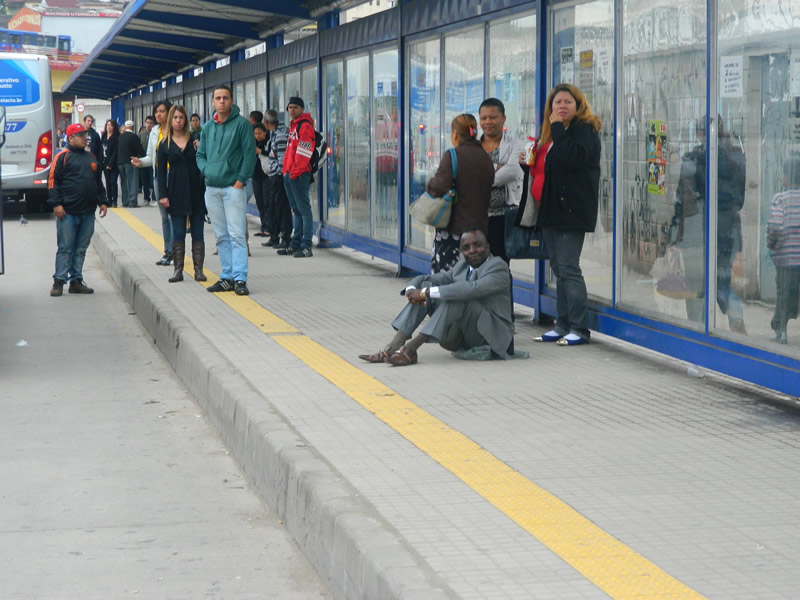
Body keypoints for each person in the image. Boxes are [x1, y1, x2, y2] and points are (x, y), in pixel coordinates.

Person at [358, 228, 513, 366]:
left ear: (488, 247)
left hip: (491, 336)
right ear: (461, 251)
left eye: (477, 245)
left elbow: (470, 289)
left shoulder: (498, 267)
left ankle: (411, 348)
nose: (472, 250)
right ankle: (393, 346)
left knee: (454, 296)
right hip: (462, 335)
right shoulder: (463, 266)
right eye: (466, 248)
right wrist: (413, 289)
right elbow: (434, 279)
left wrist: (425, 292)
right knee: (429, 287)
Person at [533, 83, 602, 346]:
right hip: (552, 211)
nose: (562, 106)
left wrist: (559, 130)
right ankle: (561, 324)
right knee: (559, 268)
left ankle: (579, 328)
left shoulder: (584, 130)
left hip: (572, 211)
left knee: (569, 268)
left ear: (578, 105)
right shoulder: (557, 134)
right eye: (557, 102)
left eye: (567, 102)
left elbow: (572, 159)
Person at [674, 117, 747, 334]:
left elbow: (683, 200)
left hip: (697, 231)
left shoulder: (692, 159)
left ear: (699, 134)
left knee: (697, 284)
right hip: (728, 227)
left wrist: (675, 235)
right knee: (722, 281)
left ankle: (696, 329)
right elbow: (740, 200)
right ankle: (737, 324)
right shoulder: (737, 157)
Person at [196, 84, 256, 295]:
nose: (222, 101)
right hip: (212, 188)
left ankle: (240, 279)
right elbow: (200, 155)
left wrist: (240, 180)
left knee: (237, 234)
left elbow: (250, 155)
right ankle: (227, 277)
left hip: (233, 188)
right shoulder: (207, 128)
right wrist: (206, 171)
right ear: (213, 102)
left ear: (232, 101)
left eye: (225, 98)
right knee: (221, 235)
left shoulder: (241, 125)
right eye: (218, 98)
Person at [426, 113, 495, 273]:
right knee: (472, 279)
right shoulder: (485, 158)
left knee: (447, 281)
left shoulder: (452, 155)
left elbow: (439, 187)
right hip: (479, 231)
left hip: (454, 233)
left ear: (455, 134)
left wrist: (430, 184)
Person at [47, 123, 107, 297]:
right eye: (80, 135)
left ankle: (76, 281)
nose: (84, 138)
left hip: (88, 212)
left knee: (81, 248)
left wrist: (102, 201)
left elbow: (97, 182)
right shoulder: (62, 157)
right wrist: (56, 204)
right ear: (70, 138)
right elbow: (52, 182)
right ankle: (59, 281)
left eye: (85, 135)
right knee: (65, 247)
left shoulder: (91, 157)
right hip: (68, 212)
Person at [157, 105, 207, 284]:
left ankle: (198, 270)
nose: (178, 121)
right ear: (170, 120)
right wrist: (162, 195)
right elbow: (160, 172)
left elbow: (205, 160)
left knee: (197, 231)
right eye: (175, 117)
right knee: (177, 232)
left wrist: (201, 148)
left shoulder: (195, 140)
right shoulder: (164, 145)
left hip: (196, 190)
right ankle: (178, 269)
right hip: (176, 191)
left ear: (186, 120)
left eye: (181, 118)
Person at [479, 98, 526, 263]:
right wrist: (496, 166)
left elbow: (513, 171)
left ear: (503, 118)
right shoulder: (473, 146)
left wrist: (481, 178)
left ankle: (503, 290)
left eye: (493, 117)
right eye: (483, 118)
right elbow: (467, 172)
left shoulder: (515, 144)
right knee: (475, 264)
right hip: (476, 216)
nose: (488, 122)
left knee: (501, 265)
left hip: (503, 217)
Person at [132, 101, 174, 265]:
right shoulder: (155, 131)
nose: (158, 114)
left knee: (173, 216)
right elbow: (151, 156)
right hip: (159, 175)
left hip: (175, 176)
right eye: (156, 111)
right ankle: (167, 252)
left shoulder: (176, 128)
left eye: (162, 111)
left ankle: (176, 251)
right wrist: (140, 162)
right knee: (164, 217)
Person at [767, 156, 800, 344]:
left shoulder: (780, 199)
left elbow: (775, 227)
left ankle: (781, 331)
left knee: (784, 293)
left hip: (785, 259)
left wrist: (772, 246)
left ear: (788, 176)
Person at [280, 96, 316, 258]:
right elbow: (290, 151)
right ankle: (296, 243)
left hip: (299, 175)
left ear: (302, 109)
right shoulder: (293, 126)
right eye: (290, 107)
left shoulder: (305, 126)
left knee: (304, 210)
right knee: (296, 210)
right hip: (290, 173)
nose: (292, 110)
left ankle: (306, 245)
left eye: (295, 107)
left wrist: (295, 172)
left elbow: (304, 152)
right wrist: (286, 171)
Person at [263, 109, 292, 249]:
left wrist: (280, 175)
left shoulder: (280, 135)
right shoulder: (275, 134)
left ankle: (285, 237)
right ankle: (274, 236)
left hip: (279, 176)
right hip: (274, 175)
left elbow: (282, 157)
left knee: (282, 208)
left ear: (266, 122)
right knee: (273, 207)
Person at [117, 119, 144, 209]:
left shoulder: (120, 137)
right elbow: (139, 149)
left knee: (124, 182)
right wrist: (143, 157)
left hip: (120, 163)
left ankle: (125, 201)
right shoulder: (134, 137)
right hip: (130, 162)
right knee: (132, 182)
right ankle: (132, 202)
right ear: (133, 127)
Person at [252, 122, 271, 237]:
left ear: (265, 132)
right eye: (255, 133)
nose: (257, 136)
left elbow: (273, 154)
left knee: (267, 202)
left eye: (260, 133)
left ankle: (269, 227)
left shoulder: (268, 143)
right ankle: (263, 226)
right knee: (259, 202)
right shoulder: (252, 144)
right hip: (255, 176)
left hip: (267, 176)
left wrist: (261, 152)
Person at [100, 119, 119, 208]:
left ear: (114, 127)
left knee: (113, 182)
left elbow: (116, 152)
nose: (109, 127)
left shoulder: (116, 137)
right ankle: (109, 200)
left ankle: (115, 200)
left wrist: (110, 164)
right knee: (107, 182)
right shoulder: (103, 136)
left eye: (111, 125)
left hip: (113, 164)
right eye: (107, 125)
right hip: (104, 162)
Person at [138, 116, 155, 205]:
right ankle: (146, 198)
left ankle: (154, 198)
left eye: (151, 123)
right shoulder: (141, 134)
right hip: (144, 160)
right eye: (147, 123)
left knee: (153, 180)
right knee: (145, 181)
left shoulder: (155, 134)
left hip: (153, 161)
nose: (149, 125)